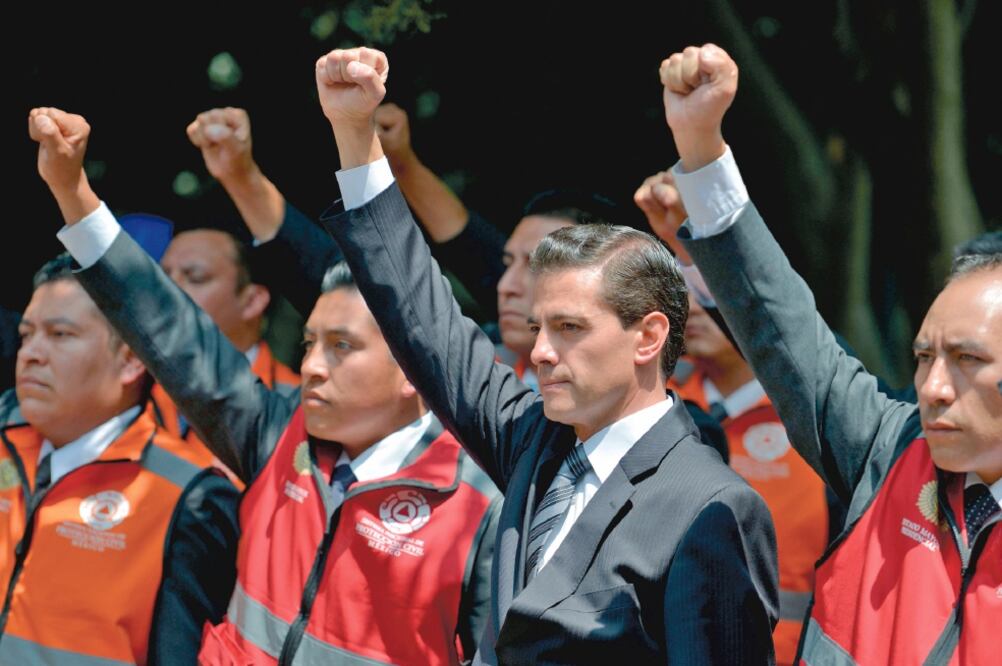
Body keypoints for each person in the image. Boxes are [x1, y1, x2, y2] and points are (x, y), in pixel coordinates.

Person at [314, 46, 778, 663]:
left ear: (648, 337)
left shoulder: (712, 506)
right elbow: (423, 320)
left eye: (569, 328)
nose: (539, 352)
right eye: (538, 328)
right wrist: (355, 133)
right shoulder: (538, 441)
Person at [31, 105, 501, 666]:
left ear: (412, 368)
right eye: (309, 343)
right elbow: (171, 332)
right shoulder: (279, 436)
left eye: (341, 346)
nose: (313, 366)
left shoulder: (481, 501)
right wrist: (74, 193)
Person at [661, 43, 1002, 664]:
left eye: (967, 360)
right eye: (924, 357)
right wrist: (702, 147)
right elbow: (780, 328)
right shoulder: (890, 448)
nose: (932, 388)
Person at [0, 248, 238, 664]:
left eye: (60, 335)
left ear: (130, 360)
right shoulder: (6, 434)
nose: (31, 353)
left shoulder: (188, 495)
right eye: (27, 334)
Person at [636, 171, 833, 664]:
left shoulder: (817, 420)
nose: (692, 303)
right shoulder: (653, 400)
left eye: (705, 281)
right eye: (681, 283)